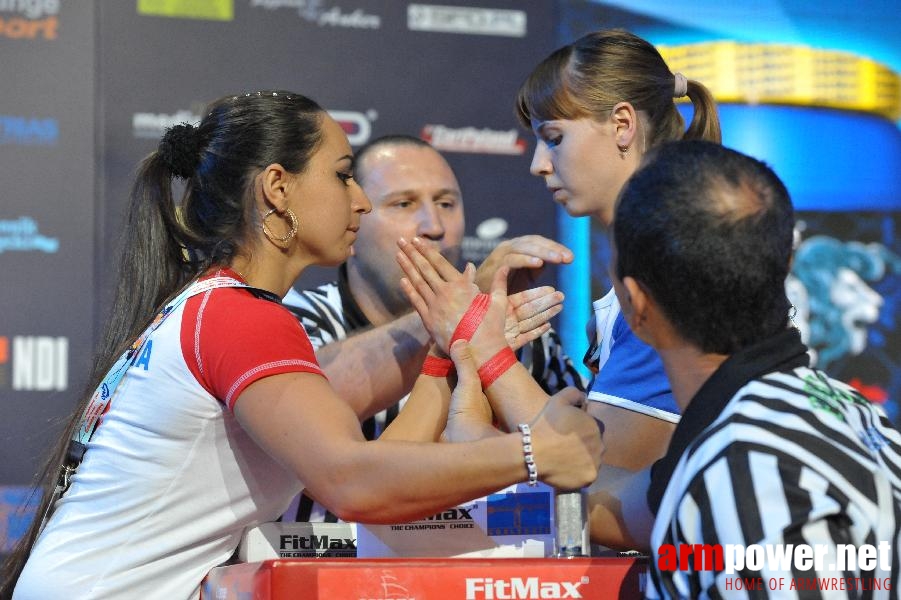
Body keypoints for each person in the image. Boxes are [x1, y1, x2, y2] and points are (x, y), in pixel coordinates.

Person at [1, 91, 603, 600]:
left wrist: (443, 353)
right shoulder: (239, 318)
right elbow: (354, 481)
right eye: (343, 176)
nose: (359, 201)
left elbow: (374, 470)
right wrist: (536, 452)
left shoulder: (215, 304)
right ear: (278, 189)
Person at [610, 140, 901, 597]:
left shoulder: (751, 470)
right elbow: (622, 498)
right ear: (785, 264)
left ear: (636, 303)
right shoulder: (852, 412)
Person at [281, 134, 585, 522]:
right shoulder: (295, 321)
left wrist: (480, 333)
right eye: (404, 204)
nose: (434, 226)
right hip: (323, 572)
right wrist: (462, 314)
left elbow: (577, 456)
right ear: (351, 223)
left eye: (446, 203)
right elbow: (307, 408)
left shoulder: (525, 335)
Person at [513, 28, 722, 547]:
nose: (539, 163)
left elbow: (604, 502)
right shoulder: (652, 263)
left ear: (623, 125)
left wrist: (483, 353)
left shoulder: (675, 271)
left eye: (554, 137)